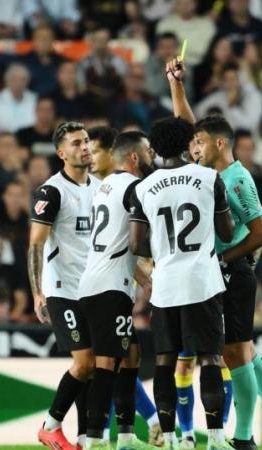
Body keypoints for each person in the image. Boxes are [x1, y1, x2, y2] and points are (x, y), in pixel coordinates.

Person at [167, 57, 262, 450]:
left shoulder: (237, 179)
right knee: (245, 353)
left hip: (234, 272)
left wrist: (225, 259)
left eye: (201, 144)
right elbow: (191, 127)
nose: (194, 149)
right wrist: (177, 84)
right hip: (221, 271)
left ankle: (244, 437)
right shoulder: (210, 169)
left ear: (220, 145)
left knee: (235, 355)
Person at [128, 115, 235, 450]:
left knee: (165, 361)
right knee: (209, 359)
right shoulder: (208, 178)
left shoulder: (142, 188)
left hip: (166, 284)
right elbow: (227, 232)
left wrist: (160, 246)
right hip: (203, 281)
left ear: (156, 150)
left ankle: (174, 438)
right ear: (189, 142)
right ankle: (216, 437)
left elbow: (135, 245)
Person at [78, 131, 155, 450]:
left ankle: (125, 436)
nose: (153, 155)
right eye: (149, 151)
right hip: (108, 286)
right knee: (107, 362)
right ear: (135, 157)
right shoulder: (135, 187)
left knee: (132, 354)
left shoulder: (105, 185)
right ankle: (95, 438)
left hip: (103, 282)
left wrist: (141, 278)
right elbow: (144, 235)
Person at [29, 122, 100, 449]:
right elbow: (35, 245)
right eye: (76, 143)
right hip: (62, 290)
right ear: (61, 153)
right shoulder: (52, 191)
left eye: (86, 141)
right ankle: (51, 425)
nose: (84, 147)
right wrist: (37, 293)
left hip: (94, 289)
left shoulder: (100, 188)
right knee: (84, 362)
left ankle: (85, 439)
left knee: (93, 367)